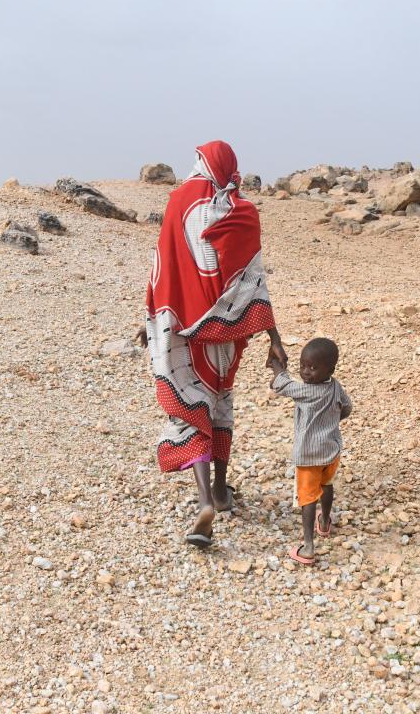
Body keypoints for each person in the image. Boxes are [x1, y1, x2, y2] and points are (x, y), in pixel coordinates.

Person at [138, 140, 287, 548]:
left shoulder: (179, 201)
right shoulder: (242, 211)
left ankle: (204, 499)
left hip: (179, 327)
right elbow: (253, 278)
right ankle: (222, 491)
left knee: (191, 408)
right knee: (220, 403)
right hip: (226, 331)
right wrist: (273, 336)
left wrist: (149, 316)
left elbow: (162, 262)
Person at [268, 337, 352, 565]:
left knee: (307, 497)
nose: (306, 372)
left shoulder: (306, 391)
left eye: (313, 368)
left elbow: (281, 385)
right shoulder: (335, 386)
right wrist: (331, 422)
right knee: (326, 486)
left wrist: (276, 367)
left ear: (330, 369)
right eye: (303, 365)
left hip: (308, 456)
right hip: (331, 451)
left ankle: (308, 546)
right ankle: (324, 522)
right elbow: (347, 408)